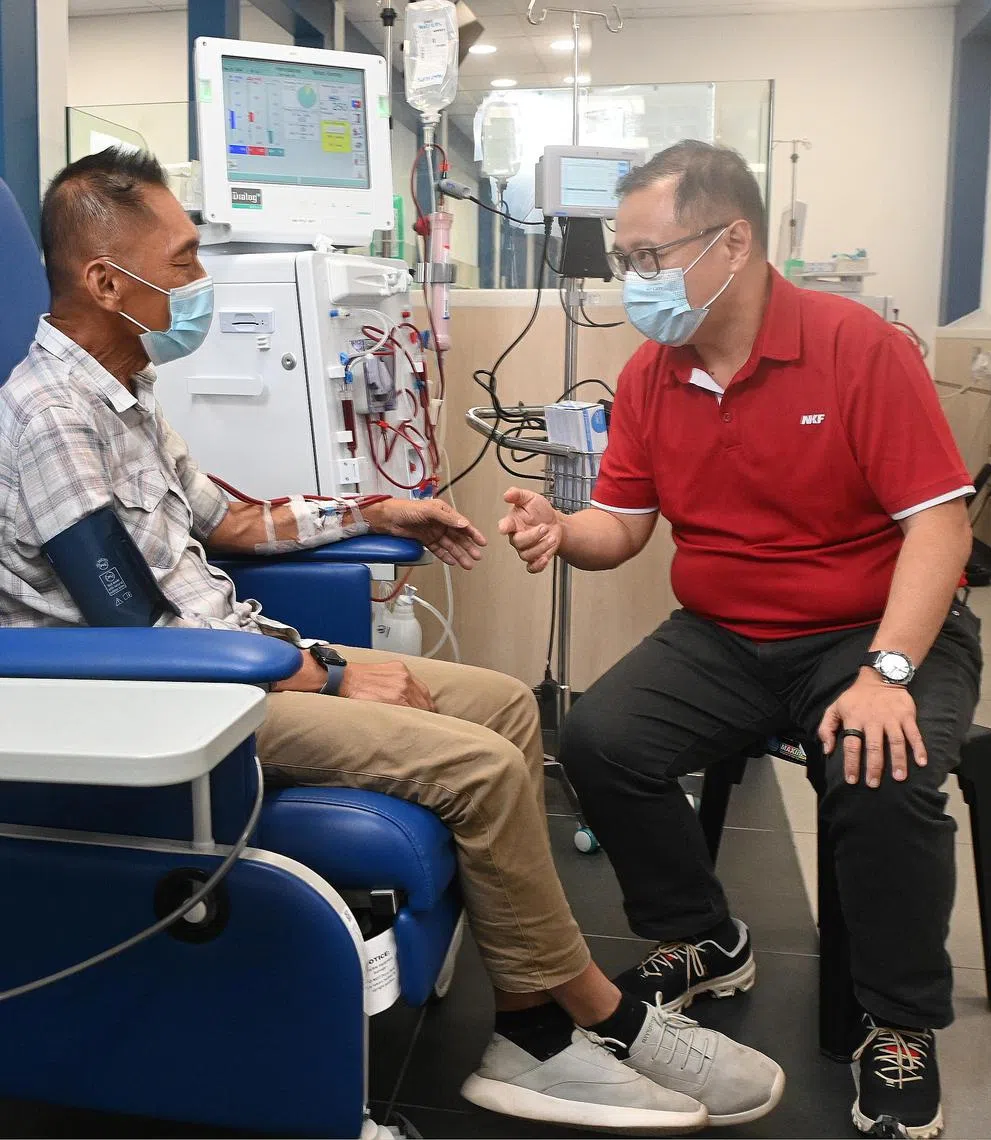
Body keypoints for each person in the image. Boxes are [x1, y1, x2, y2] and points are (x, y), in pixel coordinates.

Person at [0, 147, 785, 1133]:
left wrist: (385, 508)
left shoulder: (127, 397)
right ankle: (587, 1018)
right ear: (109, 282)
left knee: (503, 704)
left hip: (239, 663)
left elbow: (230, 523)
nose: (199, 283)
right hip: (181, 703)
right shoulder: (49, 418)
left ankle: (529, 1023)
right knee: (487, 769)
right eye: (188, 261)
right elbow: (131, 629)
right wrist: (327, 671)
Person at [500, 140, 981, 1140]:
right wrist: (562, 529)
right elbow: (623, 527)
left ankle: (897, 1023)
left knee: (880, 765)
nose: (635, 282)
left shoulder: (858, 349)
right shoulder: (650, 374)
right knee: (600, 741)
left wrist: (890, 671)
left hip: (875, 623)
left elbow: (939, 526)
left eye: (647, 256)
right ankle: (708, 937)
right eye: (625, 259)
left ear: (734, 240)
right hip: (725, 634)